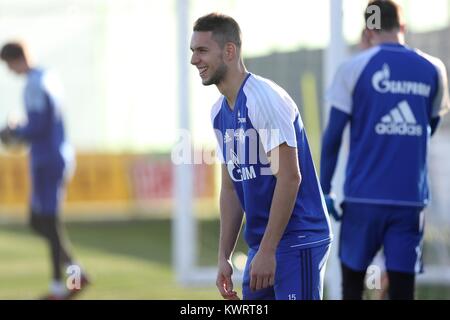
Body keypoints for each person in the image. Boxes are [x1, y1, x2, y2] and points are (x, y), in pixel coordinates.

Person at [190, 13, 332, 300]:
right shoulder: (218, 113)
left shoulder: (263, 99)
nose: (194, 60)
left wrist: (268, 250)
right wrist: (224, 257)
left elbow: (290, 178)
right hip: (262, 246)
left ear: (229, 51)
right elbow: (231, 186)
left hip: (297, 240)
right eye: (192, 51)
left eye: (202, 50)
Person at [321, 0, 449, 300]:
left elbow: (333, 137)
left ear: (369, 29)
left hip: (362, 199)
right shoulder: (433, 69)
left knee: (352, 286)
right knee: (403, 290)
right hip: (409, 200)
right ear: (402, 26)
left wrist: (325, 189)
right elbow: (429, 128)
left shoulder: (353, 68)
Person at [0, 42, 89, 300]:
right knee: (39, 222)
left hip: (47, 158)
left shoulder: (34, 84)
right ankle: (76, 274)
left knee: (48, 223)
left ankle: (59, 287)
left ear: (16, 60)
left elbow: (39, 126)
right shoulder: (47, 76)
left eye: (7, 65)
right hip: (53, 155)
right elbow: (46, 120)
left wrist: (12, 131)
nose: (9, 70)